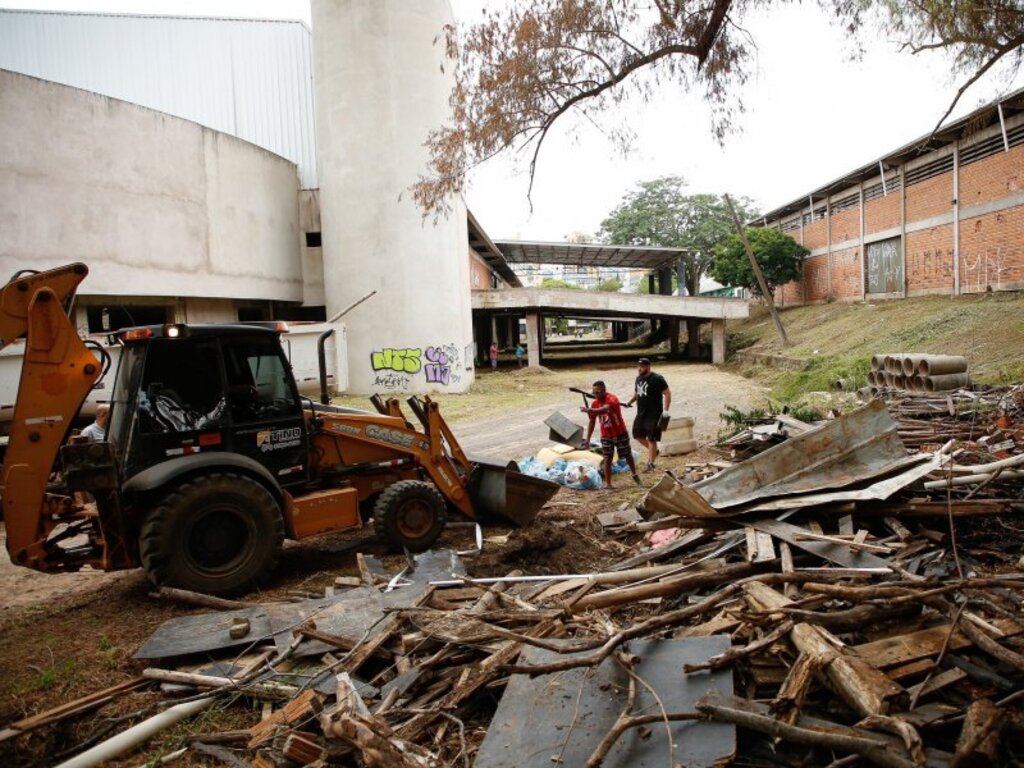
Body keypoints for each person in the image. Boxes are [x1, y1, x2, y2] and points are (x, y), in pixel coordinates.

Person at [580, 381, 641, 488]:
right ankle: (608, 484)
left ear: (604, 390)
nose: (595, 395)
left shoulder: (612, 399)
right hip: (606, 435)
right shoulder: (595, 403)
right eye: (594, 393)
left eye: (597, 392)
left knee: (627, 454)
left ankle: (634, 474)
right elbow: (592, 422)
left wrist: (590, 410)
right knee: (607, 458)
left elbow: (605, 409)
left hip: (620, 433)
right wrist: (588, 439)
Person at [627, 358, 671, 471]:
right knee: (637, 435)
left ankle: (651, 463)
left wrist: (666, 411)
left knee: (652, 438)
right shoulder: (638, 378)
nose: (639, 369)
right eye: (638, 366)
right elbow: (637, 392)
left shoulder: (657, 379)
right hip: (641, 413)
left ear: (648, 366)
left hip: (654, 414)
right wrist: (630, 401)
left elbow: (667, 393)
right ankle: (654, 451)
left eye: (642, 366)